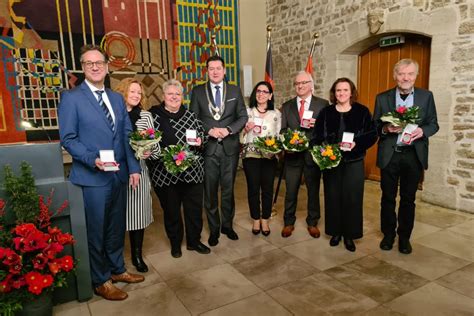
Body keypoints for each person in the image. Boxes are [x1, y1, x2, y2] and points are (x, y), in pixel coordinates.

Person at [58, 45, 144, 301]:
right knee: (96, 231)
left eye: (99, 62)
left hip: (118, 176)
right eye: (89, 63)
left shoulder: (117, 99)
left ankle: (117, 269)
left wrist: (134, 168)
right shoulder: (71, 98)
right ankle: (101, 280)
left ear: (107, 66)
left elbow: (127, 136)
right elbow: (69, 139)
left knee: (116, 228)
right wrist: (92, 159)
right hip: (92, 178)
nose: (95, 67)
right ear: (83, 68)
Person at [373, 58, 439, 254]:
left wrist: (422, 131)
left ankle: (404, 237)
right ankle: (388, 235)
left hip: (413, 155)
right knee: (388, 198)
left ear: (415, 76)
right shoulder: (382, 98)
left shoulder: (426, 97)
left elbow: (434, 124)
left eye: (410, 74)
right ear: (395, 76)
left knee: (408, 199)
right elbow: (374, 126)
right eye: (401, 74)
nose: (405, 78)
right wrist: (386, 128)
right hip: (390, 155)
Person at [146, 79, 210, 258]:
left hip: (192, 173)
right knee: (172, 211)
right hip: (165, 174)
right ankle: (175, 243)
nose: (174, 97)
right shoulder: (153, 117)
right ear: (163, 96)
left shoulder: (191, 116)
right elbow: (147, 143)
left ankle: (194, 241)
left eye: (177, 94)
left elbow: (202, 138)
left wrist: (200, 142)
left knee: (194, 210)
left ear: (182, 97)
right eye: (170, 94)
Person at [312, 78, 377, 252]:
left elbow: (372, 134)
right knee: (332, 196)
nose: (341, 93)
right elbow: (317, 136)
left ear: (351, 92)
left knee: (352, 198)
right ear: (334, 93)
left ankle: (350, 234)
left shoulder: (362, 111)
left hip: (353, 162)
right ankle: (335, 232)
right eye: (338, 90)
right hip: (331, 161)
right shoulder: (326, 112)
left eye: (345, 90)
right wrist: (324, 149)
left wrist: (358, 143)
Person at [189, 55, 248, 246]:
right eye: (211, 68)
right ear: (207, 71)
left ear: (224, 71)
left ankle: (227, 226)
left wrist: (228, 130)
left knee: (228, 190)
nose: (215, 71)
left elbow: (242, 116)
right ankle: (214, 230)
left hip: (230, 148)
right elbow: (193, 118)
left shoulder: (234, 90)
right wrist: (209, 130)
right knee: (210, 191)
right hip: (209, 150)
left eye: (218, 68)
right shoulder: (198, 92)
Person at [280, 71, 329, 238]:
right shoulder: (287, 106)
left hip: (312, 156)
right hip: (293, 155)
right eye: (297, 83)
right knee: (291, 190)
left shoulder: (322, 104)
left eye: (303, 83)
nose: (300, 86)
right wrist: (291, 139)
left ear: (311, 85)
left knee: (313, 190)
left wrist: (317, 125)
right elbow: (283, 130)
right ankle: (288, 222)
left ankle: (313, 222)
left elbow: (327, 130)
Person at [115, 78, 155, 272]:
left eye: (139, 93)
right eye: (132, 91)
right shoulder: (112, 114)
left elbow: (153, 144)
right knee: (117, 215)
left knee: (137, 215)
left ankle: (137, 256)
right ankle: (115, 257)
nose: (136, 95)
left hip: (139, 170)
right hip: (116, 170)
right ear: (123, 92)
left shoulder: (146, 117)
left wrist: (148, 151)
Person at [240, 81, 281, 236]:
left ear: (270, 95)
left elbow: (278, 136)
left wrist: (276, 147)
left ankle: (265, 219)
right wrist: (245, 129)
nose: (261, 94)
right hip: (251, 155)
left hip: (269, 157)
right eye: (258, 91)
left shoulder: (276, 114)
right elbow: (240, 135)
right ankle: (256, 219)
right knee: (253, 188)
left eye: (265, 92)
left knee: (268, 189)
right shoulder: (247, 112)